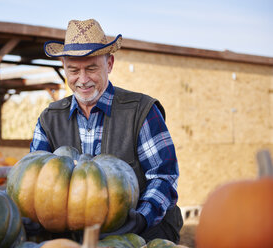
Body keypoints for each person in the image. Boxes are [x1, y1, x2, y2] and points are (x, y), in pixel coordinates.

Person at [29, 19, 183, 243]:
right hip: (72, 239)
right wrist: (29, 213)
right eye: (74, 70)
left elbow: (163, 177)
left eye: (91, 68)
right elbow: (34, 180)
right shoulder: (49, 119)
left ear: (109, 64)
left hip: (140, 237)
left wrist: (140, 218)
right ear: (64, 68)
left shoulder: (141, 111)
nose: (82, 80)